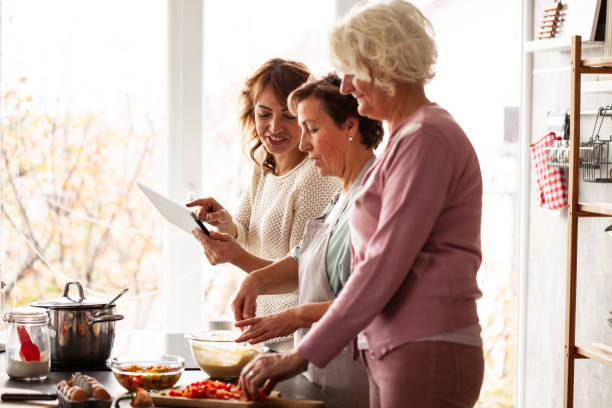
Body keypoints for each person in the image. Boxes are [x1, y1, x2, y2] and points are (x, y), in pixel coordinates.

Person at [237, 2, 485, 407]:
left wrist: (300, 354)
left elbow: (383, 265)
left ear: (384, 64)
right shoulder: (407, 139)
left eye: (353, 71)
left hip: (427, 345)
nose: (347, 86)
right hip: (398, 348)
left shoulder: (427, 138)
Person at [232, 73, 383, 408]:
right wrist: (256, 281)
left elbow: (370, 301)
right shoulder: (343, 192)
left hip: (356, 380)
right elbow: (303, 260)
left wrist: (294, 316)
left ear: (350, 127)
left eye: (312, 129)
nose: (303, 143)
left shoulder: (376, 197)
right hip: (321, 376)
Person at [187, 59, 340, 351]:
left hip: (295, 337)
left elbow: (303, 274)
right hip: (264, 332)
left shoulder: (315, 177)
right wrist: (223, 223)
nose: (274, 127)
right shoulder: (263, 165)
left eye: (288, 116)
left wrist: (235, 257)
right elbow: (244, 231)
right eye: (264, 114)